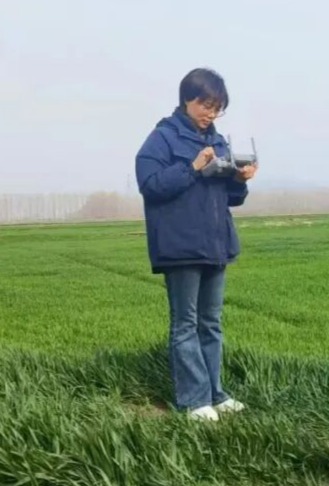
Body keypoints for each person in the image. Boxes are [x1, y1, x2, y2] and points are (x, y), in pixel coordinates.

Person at [134, 67, 257, 421]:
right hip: (180, 245)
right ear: (187, 99)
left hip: (216, 243)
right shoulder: (162, 138)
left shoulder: (218, 140)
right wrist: (191, 167)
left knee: (212, 322)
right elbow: (151, 185)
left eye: (217, 107)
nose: (211, 114)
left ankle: (215, 395)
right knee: (185, 323)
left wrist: (241, 179)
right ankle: (193, 400)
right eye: (206, 105)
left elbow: (230, 197)